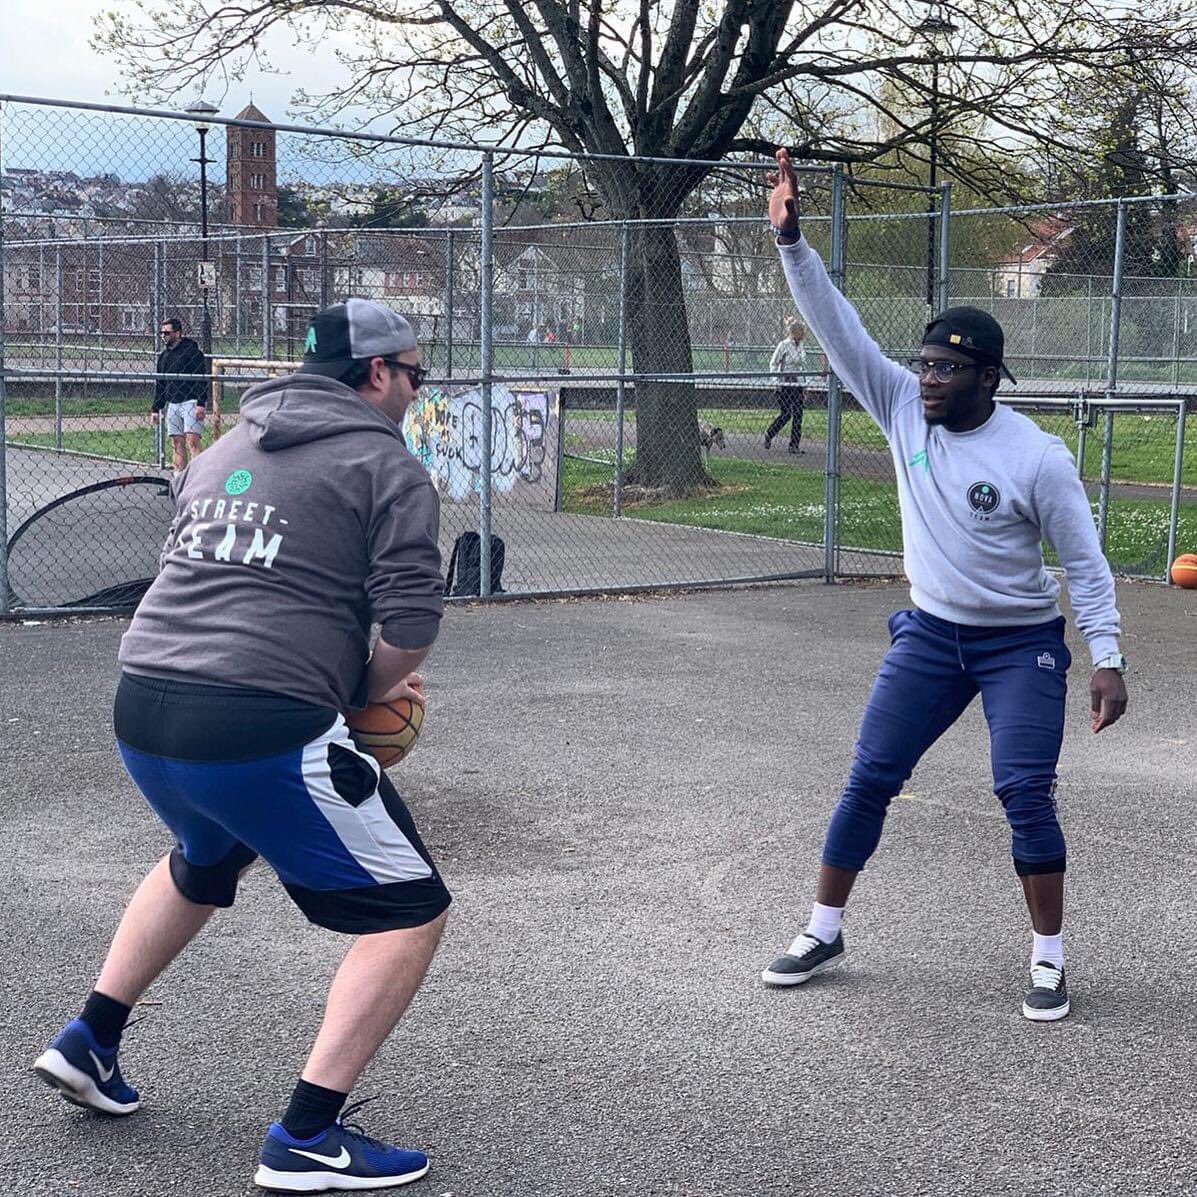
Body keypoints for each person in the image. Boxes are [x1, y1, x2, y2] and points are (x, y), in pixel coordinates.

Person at [34, 298, 450, 1192]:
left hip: (142, 704)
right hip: (258, 721)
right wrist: (363, 690)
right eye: (416, 374)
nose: (418, 391)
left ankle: (89, 1041)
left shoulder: (225, 447)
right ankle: (306, 1135)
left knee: (204, 853)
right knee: (410, 909)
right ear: (377, 373)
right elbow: (412, 626)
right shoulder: (387, 464)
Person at [759, 149, 1128, 1021]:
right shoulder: (895, 406)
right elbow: (837, 327)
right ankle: (822, 927)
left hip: (1017, 645)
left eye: (945, 369)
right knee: (869, 775)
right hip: (928, 634)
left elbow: (1083, 562)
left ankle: (1046, 959)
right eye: (922, 364)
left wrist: (1105, 656)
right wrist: (790, 243)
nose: (926, 378)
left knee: (1022, 790)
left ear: (987, 377)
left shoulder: (1035, 457)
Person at [151, 317, 208, 472]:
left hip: (191, 401)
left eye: (167, 333)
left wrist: (201, 403)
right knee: (177, 441)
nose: (164, 336)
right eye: (161, 333)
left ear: (177, 333)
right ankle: (179, 479)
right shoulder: (164, 356)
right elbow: (160, 383)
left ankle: (199, 478)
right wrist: (156, 408)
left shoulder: (192, 352)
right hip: (173, 403)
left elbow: (201, 379)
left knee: (192, 441)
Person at [766, 319, 809, 454]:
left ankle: (794, 445)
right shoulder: (784, 345)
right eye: (800, 331)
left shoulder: (800, 346)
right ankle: (769, 433)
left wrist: (804, 386)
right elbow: (773, 363)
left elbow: (801, 366)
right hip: (784, 384)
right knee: (786, 414)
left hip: (797, 383)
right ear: (793, 332)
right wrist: (776, 381)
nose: (803, 334)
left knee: (798, 414)